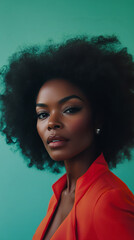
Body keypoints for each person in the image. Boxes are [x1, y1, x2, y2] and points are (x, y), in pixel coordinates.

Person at [0, 35, 134, 240]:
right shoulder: (59, 194)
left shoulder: (109, 199)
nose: (52, 123)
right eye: (43, 114)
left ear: (98, 118)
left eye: (70, 109)